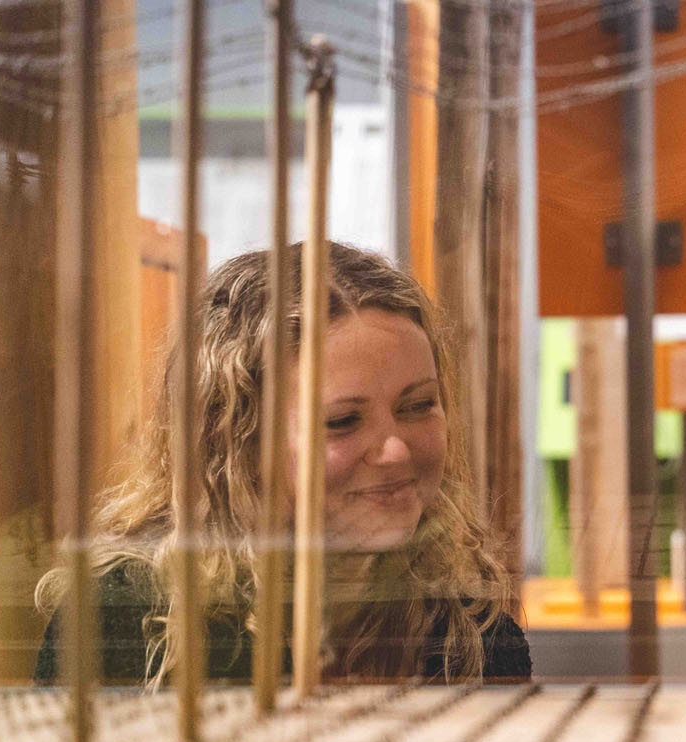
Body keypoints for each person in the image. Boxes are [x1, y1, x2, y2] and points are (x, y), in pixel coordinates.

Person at [36, 241, 530, 685]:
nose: (396, 450)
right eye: (341, 421)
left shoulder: (474, 635)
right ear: (238, 442)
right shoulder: (124, 619)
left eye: (418, 405)